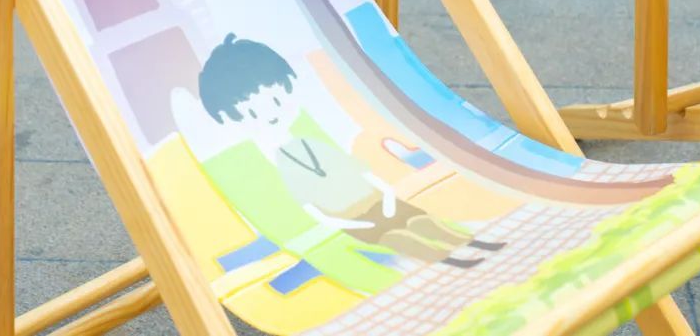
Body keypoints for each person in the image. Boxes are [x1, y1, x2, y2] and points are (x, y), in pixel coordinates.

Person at [198, 33, 504, 268]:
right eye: (253, 111)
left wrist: (387, 194)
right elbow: (312, 208)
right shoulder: (284, 164)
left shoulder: (311, 145)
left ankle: (474, 245)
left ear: (288, 88)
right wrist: (350, 224)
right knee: (399, 237)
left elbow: (360, 172)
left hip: (377, 200)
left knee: (422, 221)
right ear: (230, 117)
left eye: (276, 100)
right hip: (356, 220)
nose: (271, 113)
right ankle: (454, 262)